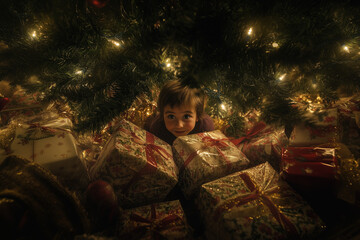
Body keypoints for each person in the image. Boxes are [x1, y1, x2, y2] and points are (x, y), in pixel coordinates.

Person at [144, 79, 214, 145]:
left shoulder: (205, 128)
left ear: (197, 116)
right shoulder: (157, 129)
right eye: (171, 116)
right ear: (163, 115)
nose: (179, 125)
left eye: (186, 116)